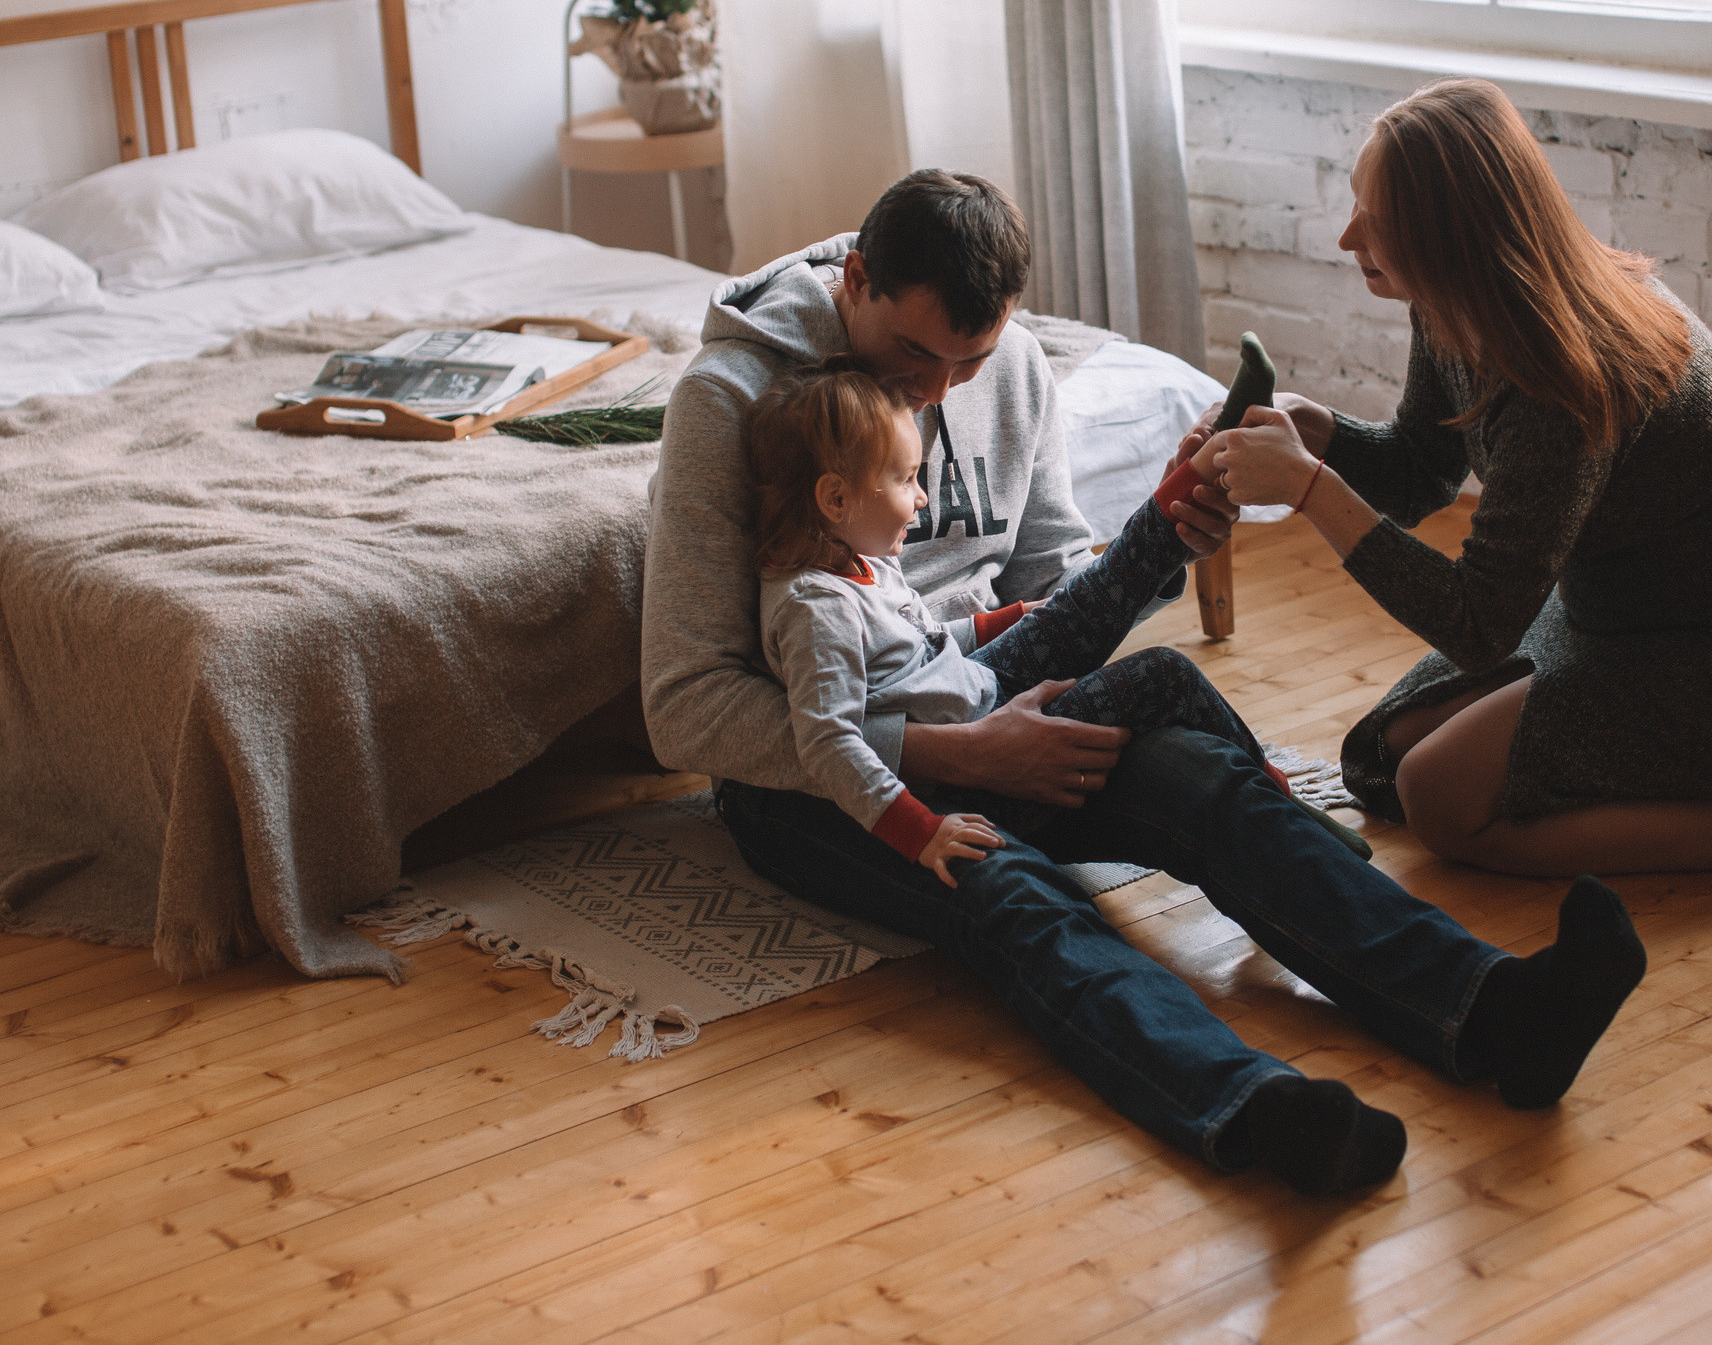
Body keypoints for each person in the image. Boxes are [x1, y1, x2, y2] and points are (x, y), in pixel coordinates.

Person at [643, 169, 1650, 1196]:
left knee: (1205, 784)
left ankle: (1496, 1013)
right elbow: (684, 709)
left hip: (982, 686)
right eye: (913, 356)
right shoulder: (728, 401)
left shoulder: (1016, 367)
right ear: (855, 281)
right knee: (1019, 898)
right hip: (824, 771)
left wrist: (1162, 549)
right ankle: (1254, 1110)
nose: (939, 391)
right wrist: (956, 755)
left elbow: (1050, 593)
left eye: (969, 361)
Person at [1199, 79, 1712, 878]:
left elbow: (1479, 624)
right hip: (1630, 612)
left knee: (1439, 797)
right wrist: (1321, 431)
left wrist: (1311, 488)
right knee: (1381, 754)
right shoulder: (1452, 301)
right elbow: (1422, 468)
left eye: (1379, 221)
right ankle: (1710, 774)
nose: (1350, 237)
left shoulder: (1560, 374)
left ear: (1453, 233)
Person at [746, 356, 1292, 885]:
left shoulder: (858, 559)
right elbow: (828, 743)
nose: (920, 498)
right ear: (835, 497)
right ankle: (1280, 802)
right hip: (976, 771)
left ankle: (1194, 480)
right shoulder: (816, 612)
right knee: (1162, 677)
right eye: (907, 478)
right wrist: (920, 832)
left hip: (974, 685)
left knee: (1081, 605)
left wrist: (999, 623)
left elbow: (914, 643)